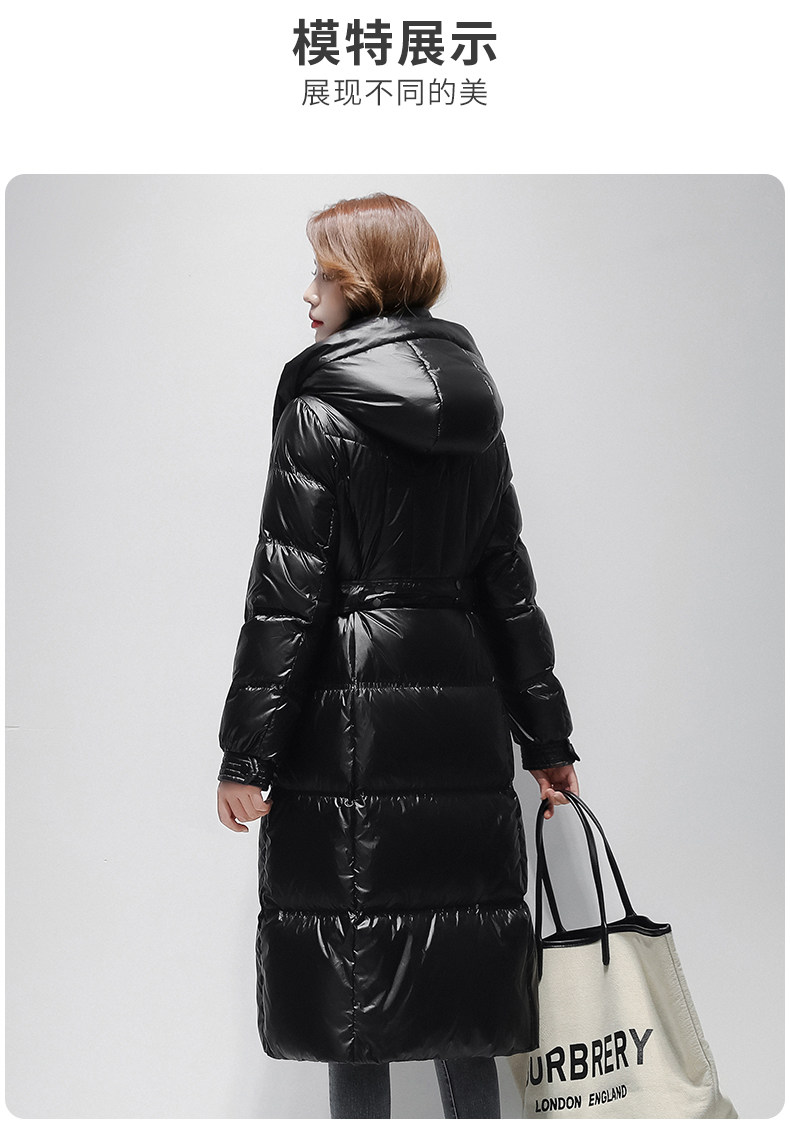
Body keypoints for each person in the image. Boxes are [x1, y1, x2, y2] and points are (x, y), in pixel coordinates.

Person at [216, 192, 580, 1119]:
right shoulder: (477, 414)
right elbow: (508, 587)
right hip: (462, 713)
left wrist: (246, 756)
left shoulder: (319, 411)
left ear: (363, 280)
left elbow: (287, 596)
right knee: (463, 965)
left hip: (350, 717)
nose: (308, 295)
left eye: (323, 274)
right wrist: (546, 741)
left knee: (356, 974)